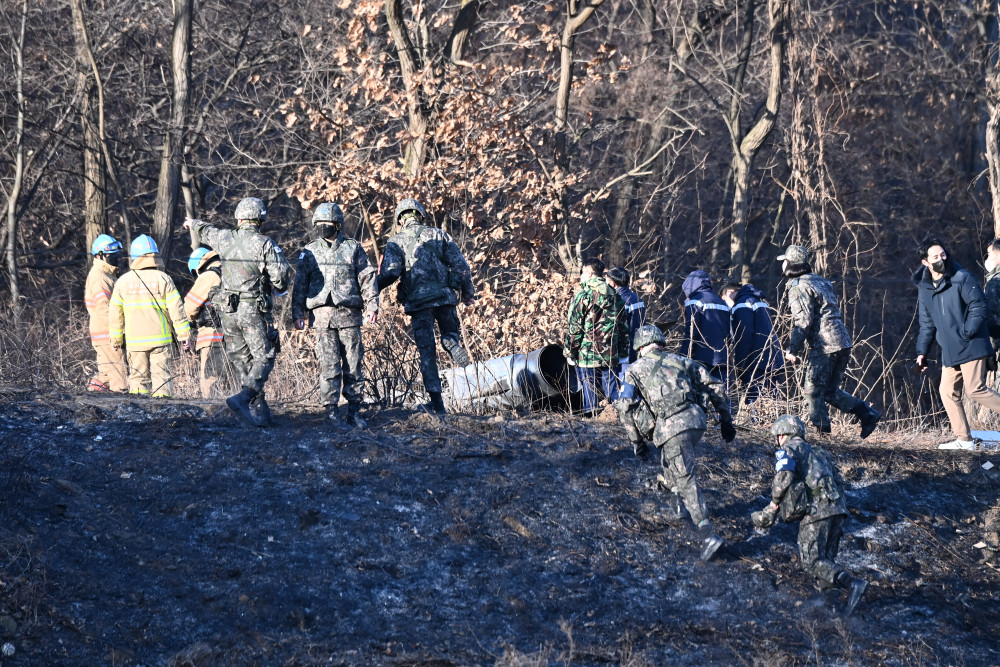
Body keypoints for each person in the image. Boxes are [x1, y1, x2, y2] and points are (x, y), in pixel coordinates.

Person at [615, 325, 736, 561]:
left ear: (640, 347)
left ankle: (707, 533)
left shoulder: (633, 369)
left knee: (685, 476)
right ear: (660, 343)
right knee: (672, 462)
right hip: (695, 422)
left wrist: (636, 441)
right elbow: (715, 386)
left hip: (672, 427)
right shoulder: (681, 361)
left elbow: (624, 407)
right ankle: (678, 507)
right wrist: (726, 420)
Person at [184, 197, 291, 427]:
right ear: (260, 219)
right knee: (264, 356)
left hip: (227, 312)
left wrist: (192, 223)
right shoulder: (265, 244)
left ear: (239, 218)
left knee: (243, 360)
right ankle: (244, 398)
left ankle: (259, 412)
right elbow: (281, 279)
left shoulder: (225, 238)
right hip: (253, 310)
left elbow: (207, 231)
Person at [751, 415, 868, 616]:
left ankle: (852, 583)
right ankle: (832, 608)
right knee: (825, 561)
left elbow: (783, 477)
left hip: (816, 511)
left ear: (782, 434)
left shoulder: (788, 449)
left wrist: (772, 505)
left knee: (812, 561)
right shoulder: (820, 452)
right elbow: (839, 482)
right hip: (838, 510)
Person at [376, 198, 475, 415]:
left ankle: (437, 405)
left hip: (419, 305)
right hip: (445, 298)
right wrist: (468, 293)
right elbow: (461, 266)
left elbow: (391, 272)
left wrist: (374, 286)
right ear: (420, 215)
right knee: (449, 333)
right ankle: (451, 342)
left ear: (400, 220)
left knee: (427, 353)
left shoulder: (396, 241)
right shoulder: (440, 235)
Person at [778, 245, 880, 438]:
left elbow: (803, 322)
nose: (782, 265)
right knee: (829, 392)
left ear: (790, 264)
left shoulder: (798, 286)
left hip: (825, 345)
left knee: (812, 391)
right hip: (842, 340)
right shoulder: (820, 282)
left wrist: (793, 349)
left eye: (784, 261)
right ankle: (867, 414)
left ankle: (822, 436)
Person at [292, 203, 379, 428]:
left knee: (353, 365)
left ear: (337, 225)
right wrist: (297, 313)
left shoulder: (353, 248)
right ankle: (331, 413)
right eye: (318, 224)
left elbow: (367, 278)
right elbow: (300, 284)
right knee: (329, 365)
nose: (322, 228)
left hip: (349, 315)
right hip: (322, 317)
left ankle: (354, 412)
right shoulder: (309, 251)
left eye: (326, 224)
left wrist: (372, 307)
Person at [914, 238, 1000, 450]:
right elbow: (926, 324)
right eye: (935, 257)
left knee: (975, 389)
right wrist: (921, 352)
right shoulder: (924, 288)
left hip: (972, 343)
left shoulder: (962, 277)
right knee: (946, 392)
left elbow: (979, 306)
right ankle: (964, 440)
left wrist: (968, 331)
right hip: (950, 349)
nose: (941, 259)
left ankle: (965, 440)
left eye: (943, 254)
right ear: (925, 262)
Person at [108, 235, 190, 397]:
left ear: (134, 257)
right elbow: (177, 310)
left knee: (138, 380)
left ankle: (140, 414)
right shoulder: (164, 279)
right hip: (161, 340)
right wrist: (184, 335)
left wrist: (116, 339)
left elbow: (115, 315)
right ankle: (164, 412)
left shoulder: (123, 282)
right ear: (155, 255)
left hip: (135, 343)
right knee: (163, 379)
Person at [564, 258, 629, 414]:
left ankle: (593, 427)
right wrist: (622, 352)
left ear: (589, 273)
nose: (581, 276)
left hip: (587, 356)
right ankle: (618, 420)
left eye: (582, 273)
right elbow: (623, 328)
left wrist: (570, 352)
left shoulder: (583, 296)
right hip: (610, 354)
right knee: (612, 391)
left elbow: (575, 328)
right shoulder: (616, 296)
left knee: (590, 393)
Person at [721, 281, 783, 402]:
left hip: (756, 362)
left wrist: (742, 366)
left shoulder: (741, 305)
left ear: (730, 293)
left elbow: (744, 337)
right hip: (772, 358)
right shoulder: (759, 302)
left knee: (755, 401)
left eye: (724, 300)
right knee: (771, 400)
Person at [185, 247, 230, 399]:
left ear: (197, 267)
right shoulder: (232, 270)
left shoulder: (209, 275)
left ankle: (212, 413)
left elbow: (190, 306)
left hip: (213, 336)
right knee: (234, 380)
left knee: (210, 380)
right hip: (236, 334)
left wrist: (190, 324)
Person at [85, 234, 128, 393]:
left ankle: (93, 394)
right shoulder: (99, 276)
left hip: (104, 332)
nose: (116, 258)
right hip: (107, 333)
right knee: (118, 374)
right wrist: (118, 330)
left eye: (117, 254)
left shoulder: (108, 275)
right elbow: (104, 309)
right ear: (99, 255)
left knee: (107, 373)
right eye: (112, 255)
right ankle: (121, 405)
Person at [681, 270, 731, 389]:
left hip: (701, 359)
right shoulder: (722, 303)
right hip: (722, 358)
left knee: (701, 395)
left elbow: (691, 332)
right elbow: (730, 333)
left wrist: (683, 356)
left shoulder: (694, 302)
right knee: (722, 396)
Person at [606, 266, 646, 400]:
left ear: (613, 283)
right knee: (635, 379)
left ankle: (624, 407)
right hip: (639, 345)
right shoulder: (638, 299)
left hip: (624, 349)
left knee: (625, 381)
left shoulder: (619, 301)